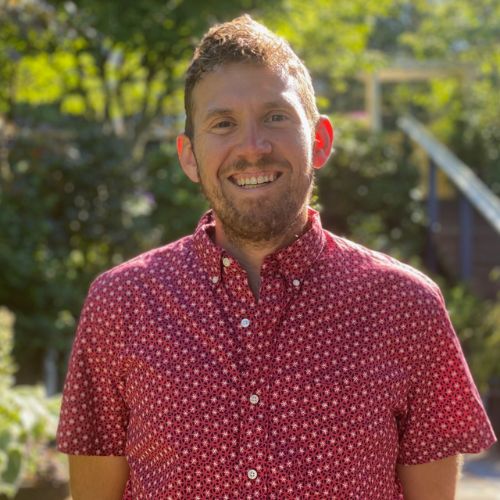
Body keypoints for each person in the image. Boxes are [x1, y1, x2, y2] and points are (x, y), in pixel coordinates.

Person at [57, 14, 496, 500]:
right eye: (223, 124)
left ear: (321, 141)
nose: (253, 147)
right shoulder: (121, 305)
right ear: (189, 156)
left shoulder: (406, 307)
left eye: (275, 117)